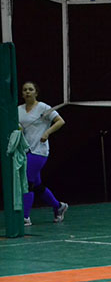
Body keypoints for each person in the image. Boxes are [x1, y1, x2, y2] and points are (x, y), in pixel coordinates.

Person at [17, 81, 68, 226]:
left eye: (30, 89)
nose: (27, 92)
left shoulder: (43, 108)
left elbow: (60, 121)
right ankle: (59, 206)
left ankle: (25, 217)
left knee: (27, 182)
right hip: (25, 151)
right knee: (37, 186)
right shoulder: (18, 110)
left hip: (39, 151)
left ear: (36, 93)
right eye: (25, 89)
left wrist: (47, 132)